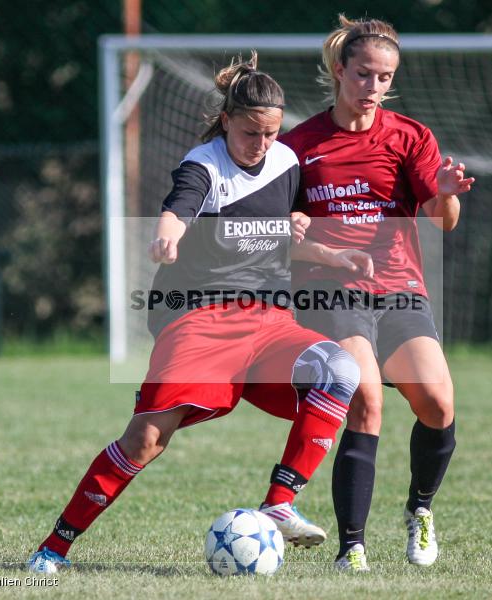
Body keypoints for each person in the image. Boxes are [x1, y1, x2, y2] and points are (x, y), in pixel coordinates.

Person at [27, 54, 361, 573]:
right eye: (252, 132)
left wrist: (330, 253)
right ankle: (54, 547)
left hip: (269, 321)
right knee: (145, 440)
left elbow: (280, 236)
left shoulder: (287, 164)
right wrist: (167, 234)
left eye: (272, 133)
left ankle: (280, 500)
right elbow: (180, 207)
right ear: (227, 120)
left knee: (339, 369)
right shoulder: (203, 165)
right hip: (200, 320)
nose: (263, 143)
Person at [280, 15, 474, 571]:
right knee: (366, 399)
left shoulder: (411, 137)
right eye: (364, 74)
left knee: (438, 404)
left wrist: (445, 194)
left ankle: (420, 509)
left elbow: (443, 220)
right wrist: (291, 227)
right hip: (329, 291)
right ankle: (352, 547)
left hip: (399, 289)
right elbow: (281, 232)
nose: (374, 86)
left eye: (385, 77)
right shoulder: (299, 145)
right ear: (340, 71)